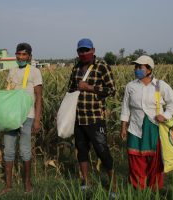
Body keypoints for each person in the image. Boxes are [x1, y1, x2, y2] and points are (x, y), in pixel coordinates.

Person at [120, 55, 173, 190]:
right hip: (135, 127)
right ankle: (138, 189)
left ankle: (154, 189)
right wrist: (123, 127)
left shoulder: (160, 85)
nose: (136, 70)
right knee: (135, 159)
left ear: (149, 70)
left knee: (155, 161)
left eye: (140, 67)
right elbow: (125, 107)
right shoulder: (131, 86)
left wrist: (165, 115)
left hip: (154, 127)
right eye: (136, 67)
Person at [68, 38, 116, 191]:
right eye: (80, 51)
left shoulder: (102, 66)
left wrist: (88, 87)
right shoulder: (75, 69)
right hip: (78, 118)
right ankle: (86, 182)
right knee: (81, 151)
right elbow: (70, 90)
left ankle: (113, 185)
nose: (83, 53)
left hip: (95, 118)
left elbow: (111, 90)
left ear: (93, 50)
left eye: (86, 50)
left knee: (102, 151)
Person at [0, 43, 43, 194]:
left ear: (30, 56)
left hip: (27, 116)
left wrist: (37, 119)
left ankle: (27, 184)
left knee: (25, 151)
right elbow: (9, 93)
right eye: (18, 54)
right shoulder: (12, 71)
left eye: (24, 54)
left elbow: (39, 97)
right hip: (12, 117)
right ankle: (8, 185)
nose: (21, 57)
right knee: (9, 151)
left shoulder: (35, 72)